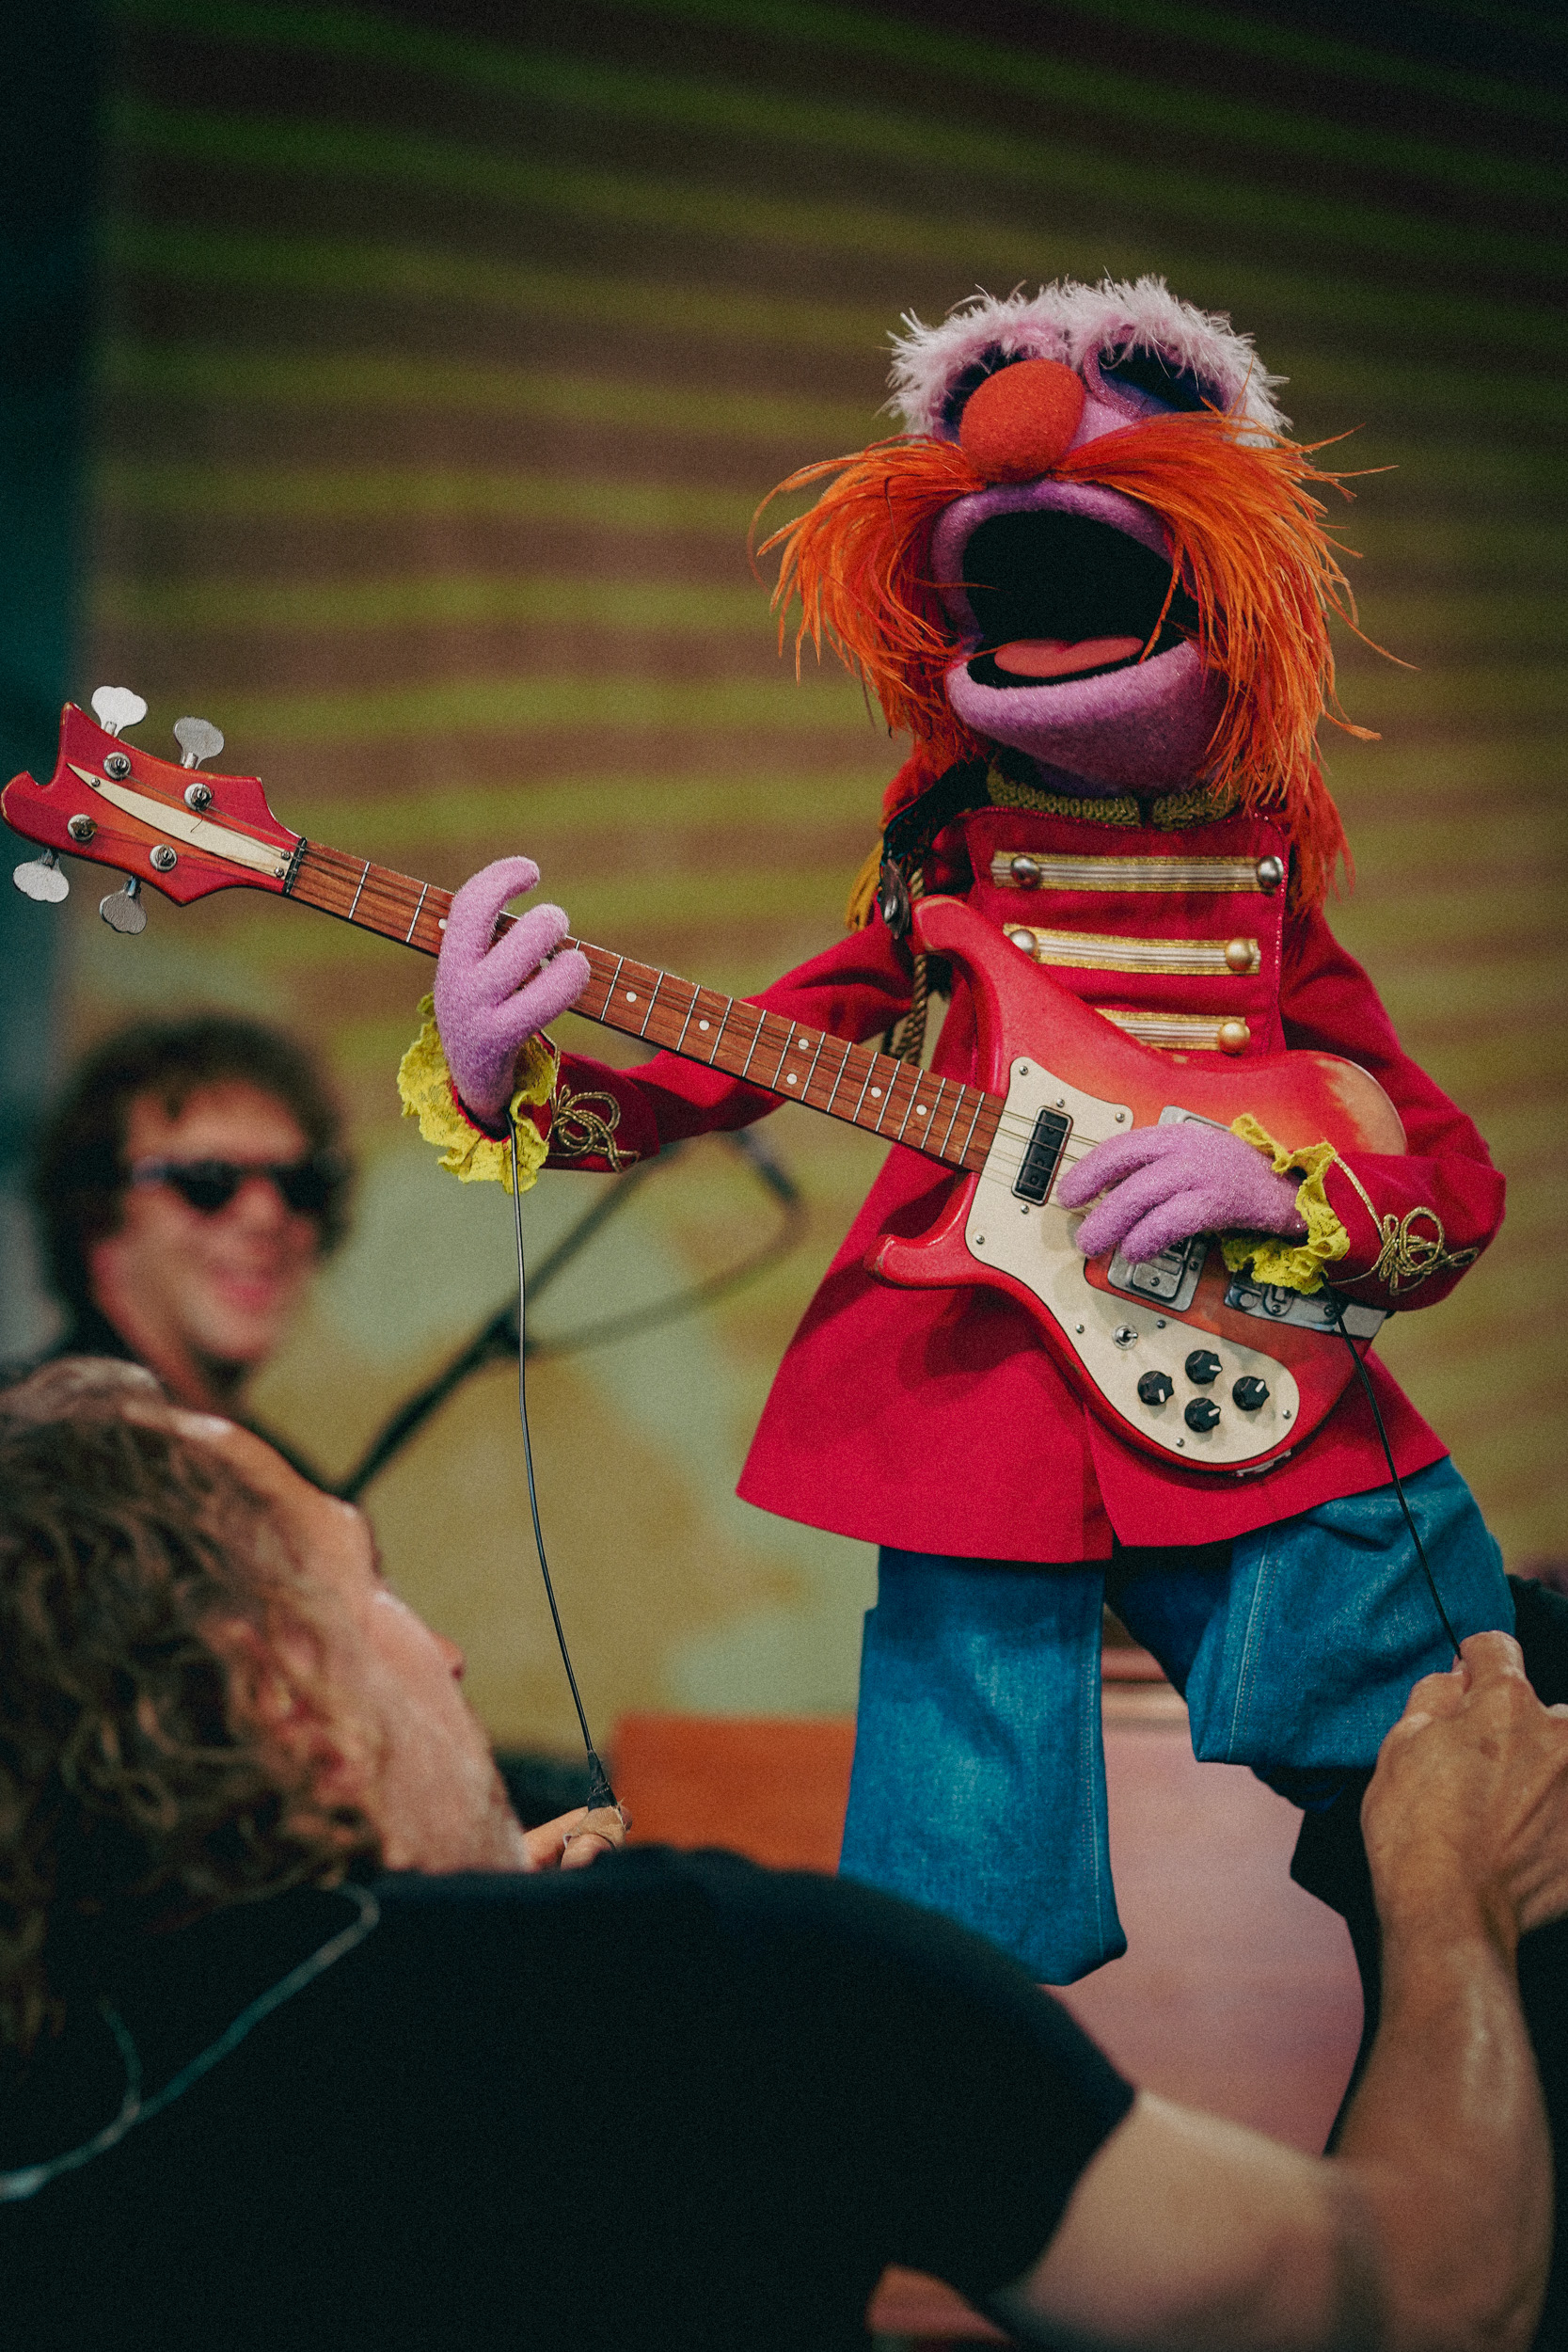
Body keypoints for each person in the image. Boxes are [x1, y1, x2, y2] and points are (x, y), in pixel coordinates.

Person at [405, 278, 1511, 1986]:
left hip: (1243, 1355)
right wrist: (513, 1081)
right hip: (978, 1389)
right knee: (951, 1898)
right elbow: (739, 1064)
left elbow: (1444, 1181)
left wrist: (1275, 1184)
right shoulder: (945, 871)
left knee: (1443, 1789)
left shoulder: (1266, 880)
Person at [1, 1358, 1564, 2352]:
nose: (454, 1653)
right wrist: (1447, 1893)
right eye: (378, 1588)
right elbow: (1421, 2302)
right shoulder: (712, 1986)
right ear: (279, 1694)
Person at [26, 1012, 350, 1421]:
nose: (266, 1214)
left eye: (301, 1184)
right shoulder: (25, 1449)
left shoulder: (274, 1475)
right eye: (208, 1182)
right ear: (97, 1214)